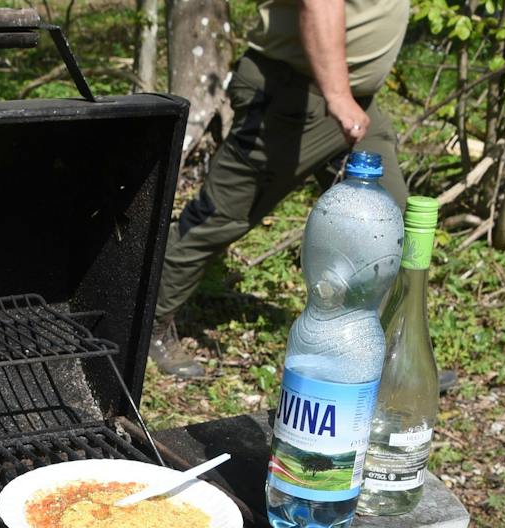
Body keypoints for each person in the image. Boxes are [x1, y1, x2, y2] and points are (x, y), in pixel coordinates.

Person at [151, 0, 411, 378]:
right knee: (220, 216)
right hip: (294, 97)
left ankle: (373, 349)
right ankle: (145, 321)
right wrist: (338, 97)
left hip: (350, 99)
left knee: (389, 222)